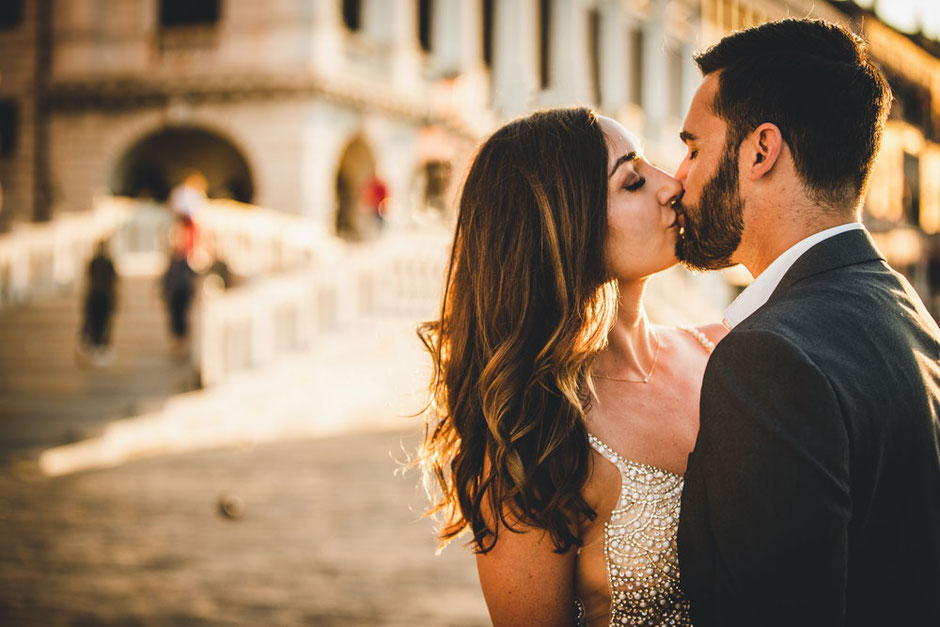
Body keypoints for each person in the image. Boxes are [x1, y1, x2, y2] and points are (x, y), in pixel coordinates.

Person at [672, 19, 940, 626]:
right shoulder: (910, 315)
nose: (680, 178)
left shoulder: (768, 357)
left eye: (693, 149)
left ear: (760, 151)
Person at [417, 107, 724, 625]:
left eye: (650, 166)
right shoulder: (535, 437)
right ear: (564, 227)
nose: (672, 185)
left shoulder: (726, 352)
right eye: (632, 181)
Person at [79, 239, 118, 364]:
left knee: (98, 323)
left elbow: (88, 281)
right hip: (102, 296)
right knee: (101, 323)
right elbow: (114, 282)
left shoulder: (96, 262)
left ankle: (97, 347)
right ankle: (98, 348)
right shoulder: (105, 262)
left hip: (97, 296)